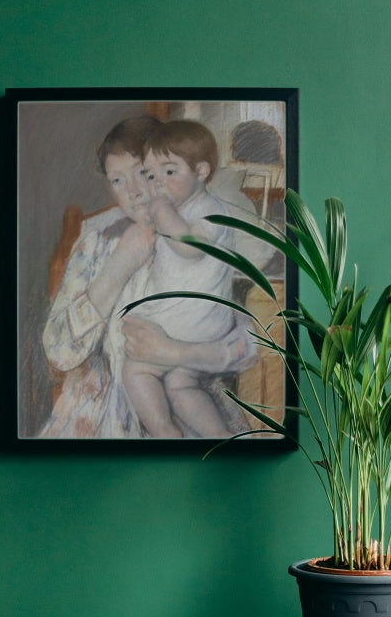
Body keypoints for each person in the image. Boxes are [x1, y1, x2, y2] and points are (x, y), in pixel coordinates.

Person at [38, 116, 257, 439]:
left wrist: (174, 352)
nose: (135, 192)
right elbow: (58, 352)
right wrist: (119, 266)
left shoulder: (200, 227)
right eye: (117, 180)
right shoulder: (96, 241)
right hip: (100, 415)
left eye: (143, 173)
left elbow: (249, 345)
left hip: (187, 403)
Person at [122, 120, 239, 438]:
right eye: (151, 174)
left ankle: (164, 431)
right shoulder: (181, 207)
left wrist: (160, 208)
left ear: (201, 171)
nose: (157, 183)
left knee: (135, 368)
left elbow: (190, 247)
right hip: (200, 324)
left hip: (191, 322)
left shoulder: (210, 211)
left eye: (169, 171)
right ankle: (221, 440)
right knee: (180, 383)